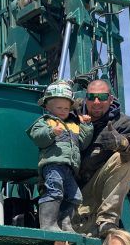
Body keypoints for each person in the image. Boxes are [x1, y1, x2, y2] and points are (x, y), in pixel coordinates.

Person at [74, 78, 130, 238]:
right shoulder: (71, 112)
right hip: (69, 191)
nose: (97, 102)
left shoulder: (121, 122)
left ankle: (107, 221)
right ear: (86, 98)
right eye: (92, 97)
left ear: (111, 99)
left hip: (94, 190)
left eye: (102, 97)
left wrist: (122, 142)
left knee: (123, 159)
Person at [27, 79, 93, 231]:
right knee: (54, 190)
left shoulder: (73, 125)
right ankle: (48, 224)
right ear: (48, 106)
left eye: (66, 108)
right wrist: (51, 132)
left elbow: (83, 143)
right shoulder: (45, 122)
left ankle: (65, 223)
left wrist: (87, 125)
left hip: (69, 169)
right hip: (53, 165)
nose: (63, 111)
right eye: (59, 107)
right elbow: (37, 136)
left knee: (75, 196)